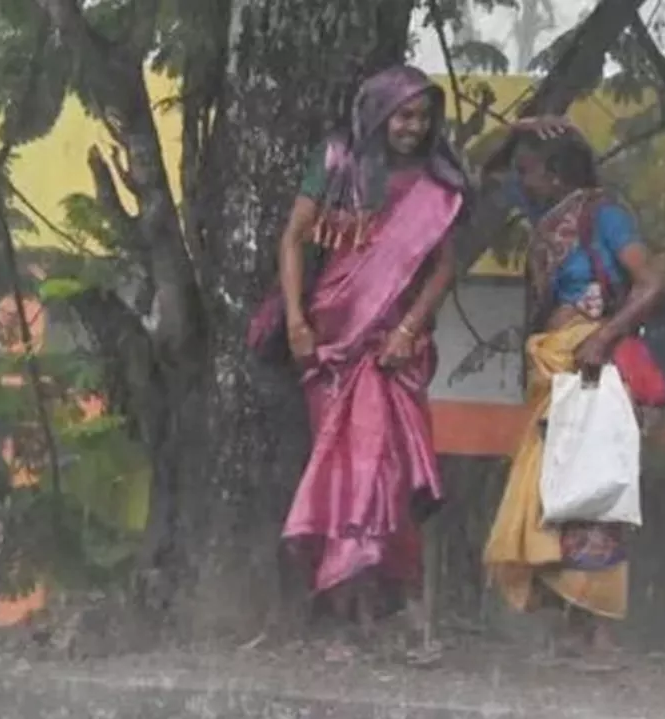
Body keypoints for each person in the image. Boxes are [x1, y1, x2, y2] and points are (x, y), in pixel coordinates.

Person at [268, 64, 471, 666]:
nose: (413, 127)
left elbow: (442, 268)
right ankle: (340, 613)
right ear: (378, 111)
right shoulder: (335, 158)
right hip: (333, 340)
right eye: (403, 114)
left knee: (389, 472)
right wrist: (297, 322)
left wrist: (408, 330)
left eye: (422, 116)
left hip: (391, 347)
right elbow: (293, 239)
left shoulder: (436, 183)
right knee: (341, 471)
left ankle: (390, 610)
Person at [482, 128, 665, 670]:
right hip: (556, 368)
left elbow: (651, 284)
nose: (519, 179)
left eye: (529, 169)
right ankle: (569, 628)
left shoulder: (603, 215)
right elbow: (484, 168)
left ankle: (601, 638)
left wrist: (603, 338)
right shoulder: (540, 209)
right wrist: (527, 127)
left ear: (556, 174)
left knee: (594, 495)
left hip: (594, 367)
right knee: (554, 491)